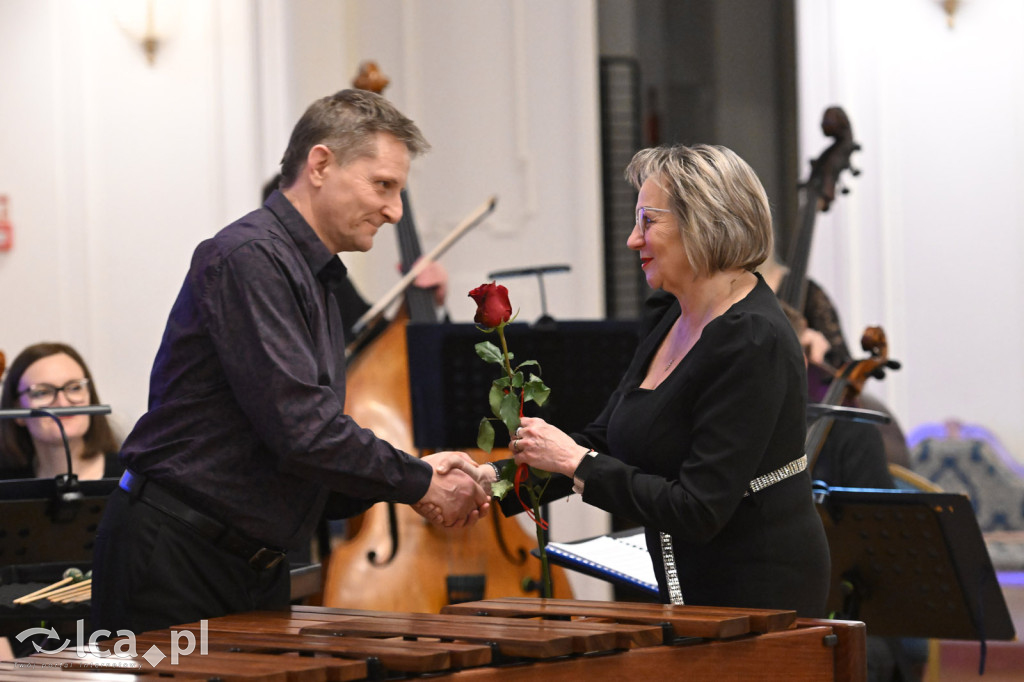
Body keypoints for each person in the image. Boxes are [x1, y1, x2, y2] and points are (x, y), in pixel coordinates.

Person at [91, 88, 489, 635]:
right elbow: (302, 431)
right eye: (383, 185)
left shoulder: (314, 278)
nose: (396, 210)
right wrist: (417, 480)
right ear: (320, 164)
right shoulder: (250, 257)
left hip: (250, 564)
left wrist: (417, 478)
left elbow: (299, 458)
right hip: (177, 560)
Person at [475, 144, 831, 616]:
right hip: (690, 587)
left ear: (705, 222)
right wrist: (491, 481)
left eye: (648, 221)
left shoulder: (752, 339)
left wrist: (578, 463)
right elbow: (609, 437)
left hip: (755, 597)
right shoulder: (669, 315)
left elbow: (698, 509)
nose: (632, 240)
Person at [0, 342, 122, 480]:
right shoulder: (6, 485)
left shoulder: (132, 478)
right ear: (17, 409)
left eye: (75, 388)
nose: (62, 403)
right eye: (42, 392)